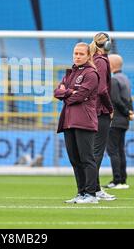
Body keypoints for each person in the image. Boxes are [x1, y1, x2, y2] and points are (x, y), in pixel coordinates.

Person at [54, 42, 100, 204]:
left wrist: (67, 94)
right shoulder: (70, 72)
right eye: (75, 53)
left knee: (87, 158)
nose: (77, 56)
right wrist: (68, 92)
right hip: (68, 120)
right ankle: (81, 192)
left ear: (88, 56)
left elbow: (78, 97)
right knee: (75, 159)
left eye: (81, 54)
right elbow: (56, 92)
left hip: (84, 121)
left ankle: (91, 194)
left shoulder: (91, 74)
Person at [89, 32, 116, 201]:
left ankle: (95, 188)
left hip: (92, 110)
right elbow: (102, 90)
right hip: (100, 111)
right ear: (106, 45)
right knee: (97, 152)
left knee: (93, 151)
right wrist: (110, 107)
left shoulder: (93, 59)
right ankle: (91, 189)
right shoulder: (102, 61)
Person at [104, 54, 134, 190]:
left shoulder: (114, 80)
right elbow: (129, 99)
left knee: (113, 150)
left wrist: (126, 111)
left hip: (115, 119)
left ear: (111, 65)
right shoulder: (126, 79)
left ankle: (117, 180)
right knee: (120, 150)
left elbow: (115, 99)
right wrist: (130, 112)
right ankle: (122, 179)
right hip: (124, 121)